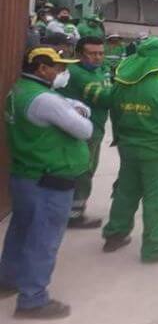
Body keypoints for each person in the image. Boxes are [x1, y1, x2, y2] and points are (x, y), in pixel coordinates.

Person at [0, 47, 92, 319]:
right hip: (49, 180)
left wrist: (72, 107)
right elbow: (84, 129)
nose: (63, 73)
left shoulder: (19, 91)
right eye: (58, 67)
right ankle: (33, 300)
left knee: (21, 230)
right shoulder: (45, 100)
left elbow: (70, 110)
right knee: (44, 239)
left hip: (26, 175)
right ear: (41, 68)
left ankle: (7, 280)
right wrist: (76, 110)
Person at [102, 37, 158, 263]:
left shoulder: (122, 84)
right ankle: (155, 248)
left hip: (128, 148)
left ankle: (115, 235)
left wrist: (119, 138)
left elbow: (114, 113)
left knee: (125, 192)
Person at [57, 36, 111, 229]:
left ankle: (74, 210)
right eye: (92, 54)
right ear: (80, 55)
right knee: (82, 172)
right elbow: (104, 98)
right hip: (81, 132)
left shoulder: (100, 71)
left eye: (101, 53)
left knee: (88, 169)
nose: (97, 57)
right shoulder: (77, 74)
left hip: (96, 129)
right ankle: (74, 215)